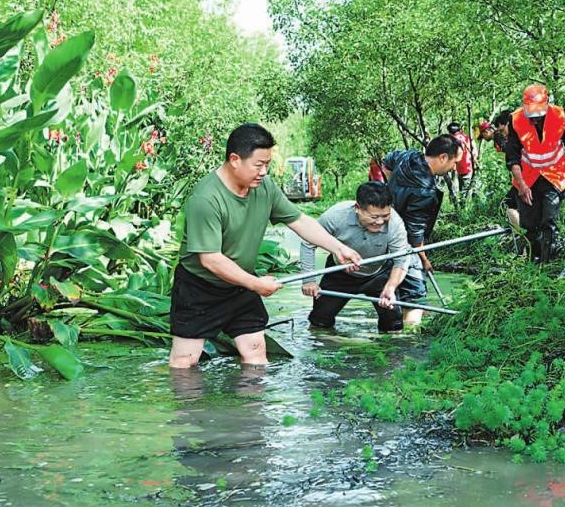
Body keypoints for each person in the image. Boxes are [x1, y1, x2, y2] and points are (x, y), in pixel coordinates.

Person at [168, 123, 362, 369]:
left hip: (241, 285)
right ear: (235, 159)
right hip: (201, 288)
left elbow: (299, 221)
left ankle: (251, 406)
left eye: (267, 164)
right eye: (258, 165)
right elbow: (211, 259)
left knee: (256, 352)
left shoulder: (265, 188)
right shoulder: (205, 199)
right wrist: (257, 284)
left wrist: (337, 248)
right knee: (185, 362)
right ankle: (189, 407)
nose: (264, 171)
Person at [300, 182, 412, 332]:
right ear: (357, 208)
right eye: (374, 216)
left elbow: (401, 259)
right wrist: (309, 280)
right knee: (319, 322)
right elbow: (308, 243)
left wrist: (391, 287)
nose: (380, 222)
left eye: (385, 215)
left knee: (393, 325)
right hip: (340, 273)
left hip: (378, 273)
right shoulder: (335, 216)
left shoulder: (395, 224)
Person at [504, 84, 565, 263]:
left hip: (555, 174)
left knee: (548, 221)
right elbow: (512, 158)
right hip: (527, 177)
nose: (535, 120)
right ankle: (533, 262)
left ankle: (547, 265)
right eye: (532, 117)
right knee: (529, 224)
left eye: (539, 116)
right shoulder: (515, 120)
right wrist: (521, 185)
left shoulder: (560, 116)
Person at [381, 135, 462, 324]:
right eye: (454, 162)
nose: (455, 168)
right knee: (416, 295)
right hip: (405, 243)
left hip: (382, 232)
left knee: (393, 289)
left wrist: (389, 192)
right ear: (443, 157)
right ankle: (410, 341)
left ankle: (395, 330)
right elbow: (415, 233)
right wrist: (424, 259)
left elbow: (386, 161)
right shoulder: (424, 190)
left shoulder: (408, 157)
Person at [448, 122, 475, 193]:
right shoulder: (466, 137)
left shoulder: (453, 140)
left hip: (462, 168)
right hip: (469, 165)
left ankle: (464, 203)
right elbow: (474, 150)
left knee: (464, 192)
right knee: (467, 189)